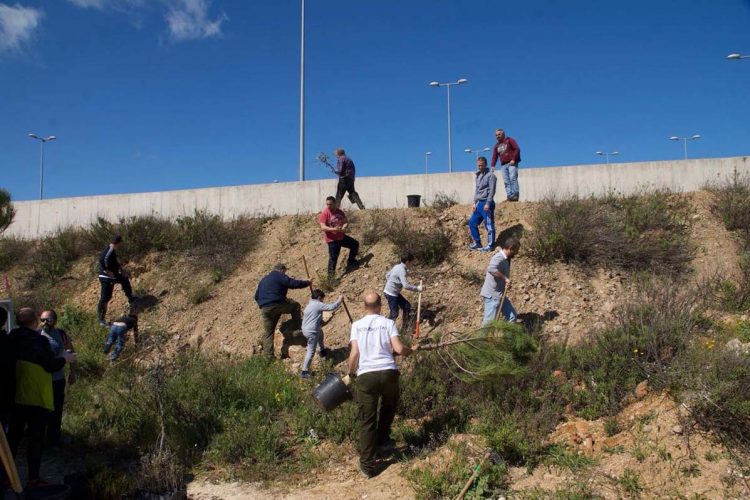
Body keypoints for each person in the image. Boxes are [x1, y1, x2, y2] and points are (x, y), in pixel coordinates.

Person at [348, 291, 417, 478]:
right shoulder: (388, 323)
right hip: (388, 373)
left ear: (364, 306)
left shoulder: (356, 325)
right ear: (380, 305)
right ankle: (384, 440)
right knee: (389, 405)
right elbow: (399, 349)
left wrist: (351, 372)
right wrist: (412, 351)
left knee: (367, 420)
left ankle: (368, 466)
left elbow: (354, 354)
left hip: (367, 376)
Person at [7, 308, 75, 489]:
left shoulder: (9, 338)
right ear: (35, 321)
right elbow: (50, 365)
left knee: (12, 438)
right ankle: (33, 480)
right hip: (35, 396)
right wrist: (65, 359)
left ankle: (6, 478)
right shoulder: (39, 341)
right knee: (35, 440)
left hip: (13, 397)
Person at [254, 264, 312, 359]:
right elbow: (292, 283)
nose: (285, 273)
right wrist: (307, 283)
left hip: (265, 309)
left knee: (268, 332)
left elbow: (256, 296)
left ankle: (268, 357)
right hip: (277, 304)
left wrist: (263, 305)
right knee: (295, 306)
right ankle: (297, 330)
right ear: (281, 270)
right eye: (285, 272)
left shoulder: (263, 280)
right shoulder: (279, 276)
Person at [39, 310, 76, 446]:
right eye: (42, 319)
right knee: (41, 411)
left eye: (47, 319)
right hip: (40, 381)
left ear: (54, 320)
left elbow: (71, 353)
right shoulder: (37, 335)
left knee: (56, 410)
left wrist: (72, 373)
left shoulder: (61, 335)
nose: (44, 322)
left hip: (57, 380)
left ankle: (53, 440)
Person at [300, 290, 342, 378]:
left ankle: (322, 351)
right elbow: (331, 307)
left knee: (320, 333)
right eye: (322, 299)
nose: (323, 301)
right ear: (319, 298)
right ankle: (304, 371)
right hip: (311, 331)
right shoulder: (317, 304)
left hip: (308, 329)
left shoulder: (309, 305)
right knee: (311, 350)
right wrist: (340, 300)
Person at [97, 234, 137, 327]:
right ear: (118, 243)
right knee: (105, 298)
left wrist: (122, 271)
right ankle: (101, 320)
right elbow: (102, 260)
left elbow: (115, 264)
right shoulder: (110, 250)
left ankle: (130, 298)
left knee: (124, 279)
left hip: (113, 276)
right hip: (106, 278)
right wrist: (107, 271)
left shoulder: (113, 251)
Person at [480, 237, 521, 325]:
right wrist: (505, 278)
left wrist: (506, 282)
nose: (517, 253)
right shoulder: (498, 257)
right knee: (488, 324)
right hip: (492, 295)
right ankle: (482, 339)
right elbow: (491, 269)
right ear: (510, 248)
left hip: (500, 295)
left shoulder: (506, 258)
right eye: (516, 250)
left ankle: (503, 337)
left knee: (511, 317)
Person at [318, 196, 360, 277]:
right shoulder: (325, 213)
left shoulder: (340, 212)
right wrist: (333, 229)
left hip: (341, 237)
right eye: (327, 204)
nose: (328, 206)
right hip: (332, 240)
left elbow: (346, 222)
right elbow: (322, 227)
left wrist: (344, 226)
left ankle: (351, 262)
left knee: (355, 244)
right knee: (333, 259)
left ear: (335, 204)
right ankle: (330, 279)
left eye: (330, 204)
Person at [383, 254, 423, 330]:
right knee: (394, 314)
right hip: (391, 294)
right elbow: (406, 286)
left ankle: (405, 328)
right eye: (412, 262)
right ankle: (385, 330)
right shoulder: (402, 270)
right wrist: (417, 288)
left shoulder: (397, 266)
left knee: (406, 306)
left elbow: (387, 275)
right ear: (408, 262)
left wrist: (392, 282)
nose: (412, 264)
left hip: (391, 292)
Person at [468, 157, 497, 251]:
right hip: (479, 203)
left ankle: (490, 246)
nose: (480, 167)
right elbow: (477, 190)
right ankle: (477, 243)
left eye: (482, 165)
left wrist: (488, 203)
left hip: (487, 203)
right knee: (472, 222)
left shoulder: (491, 176)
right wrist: (474, 203)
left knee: (488, 225)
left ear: (485, 164)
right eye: (478, 165)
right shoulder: (478, 176)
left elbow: (492, 191)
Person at [490, 129, 521, 202]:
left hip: (511, 163)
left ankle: (515, 195)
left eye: (499, 134)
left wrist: (513, 159)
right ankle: (510, 196)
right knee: (506, 181)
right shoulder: (496, 146)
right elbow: (494, 157)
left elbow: (517, 149)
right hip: (503, 165)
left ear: (503, 134)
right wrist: (492, 166)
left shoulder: (509, 140)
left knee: (513, 178)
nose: (497, 136)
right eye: (496, 135)